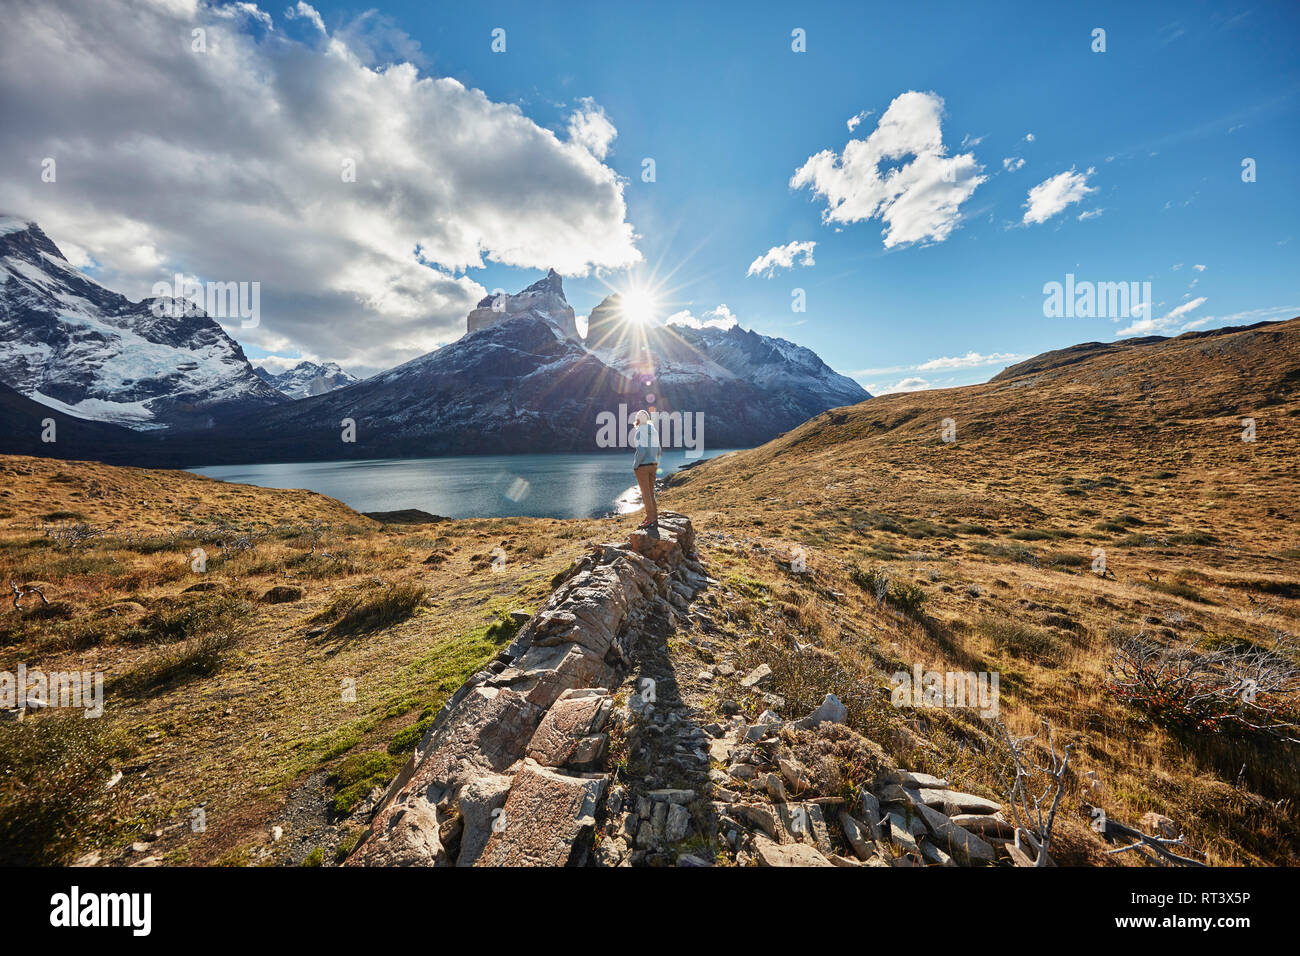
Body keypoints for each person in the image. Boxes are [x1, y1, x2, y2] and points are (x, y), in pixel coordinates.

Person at [631, 409, 661, 529]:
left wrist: (635, 465)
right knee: (651, 492)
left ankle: (650, 519)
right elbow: (659, 450)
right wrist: (654, 461)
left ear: (638, 420)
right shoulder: (653, 430)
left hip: (642, 466)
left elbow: (641, 450)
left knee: (645, 494)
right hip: (653, 465)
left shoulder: (639, 431)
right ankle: (654, 517)